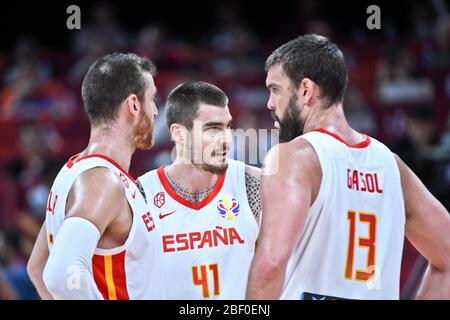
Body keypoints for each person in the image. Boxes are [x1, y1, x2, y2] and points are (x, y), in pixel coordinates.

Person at [246, 34, 450, 300]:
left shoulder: (294, 158)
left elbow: (270, 265)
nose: (270, 104)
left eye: (275, 90)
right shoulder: (391, 165)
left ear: (306, 90)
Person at [27, 53, 164, 300]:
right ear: (133, 105)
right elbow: (60, 275)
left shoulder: (74, 172)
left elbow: (38, 267)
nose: (155, 111)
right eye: (152, 99)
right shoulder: (101, 182)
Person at [138, 81, 260, 299]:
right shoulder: (142, 194)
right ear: (179, 134)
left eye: (228, 127)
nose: (226, 140)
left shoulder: (252, 184)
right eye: (213, 129)